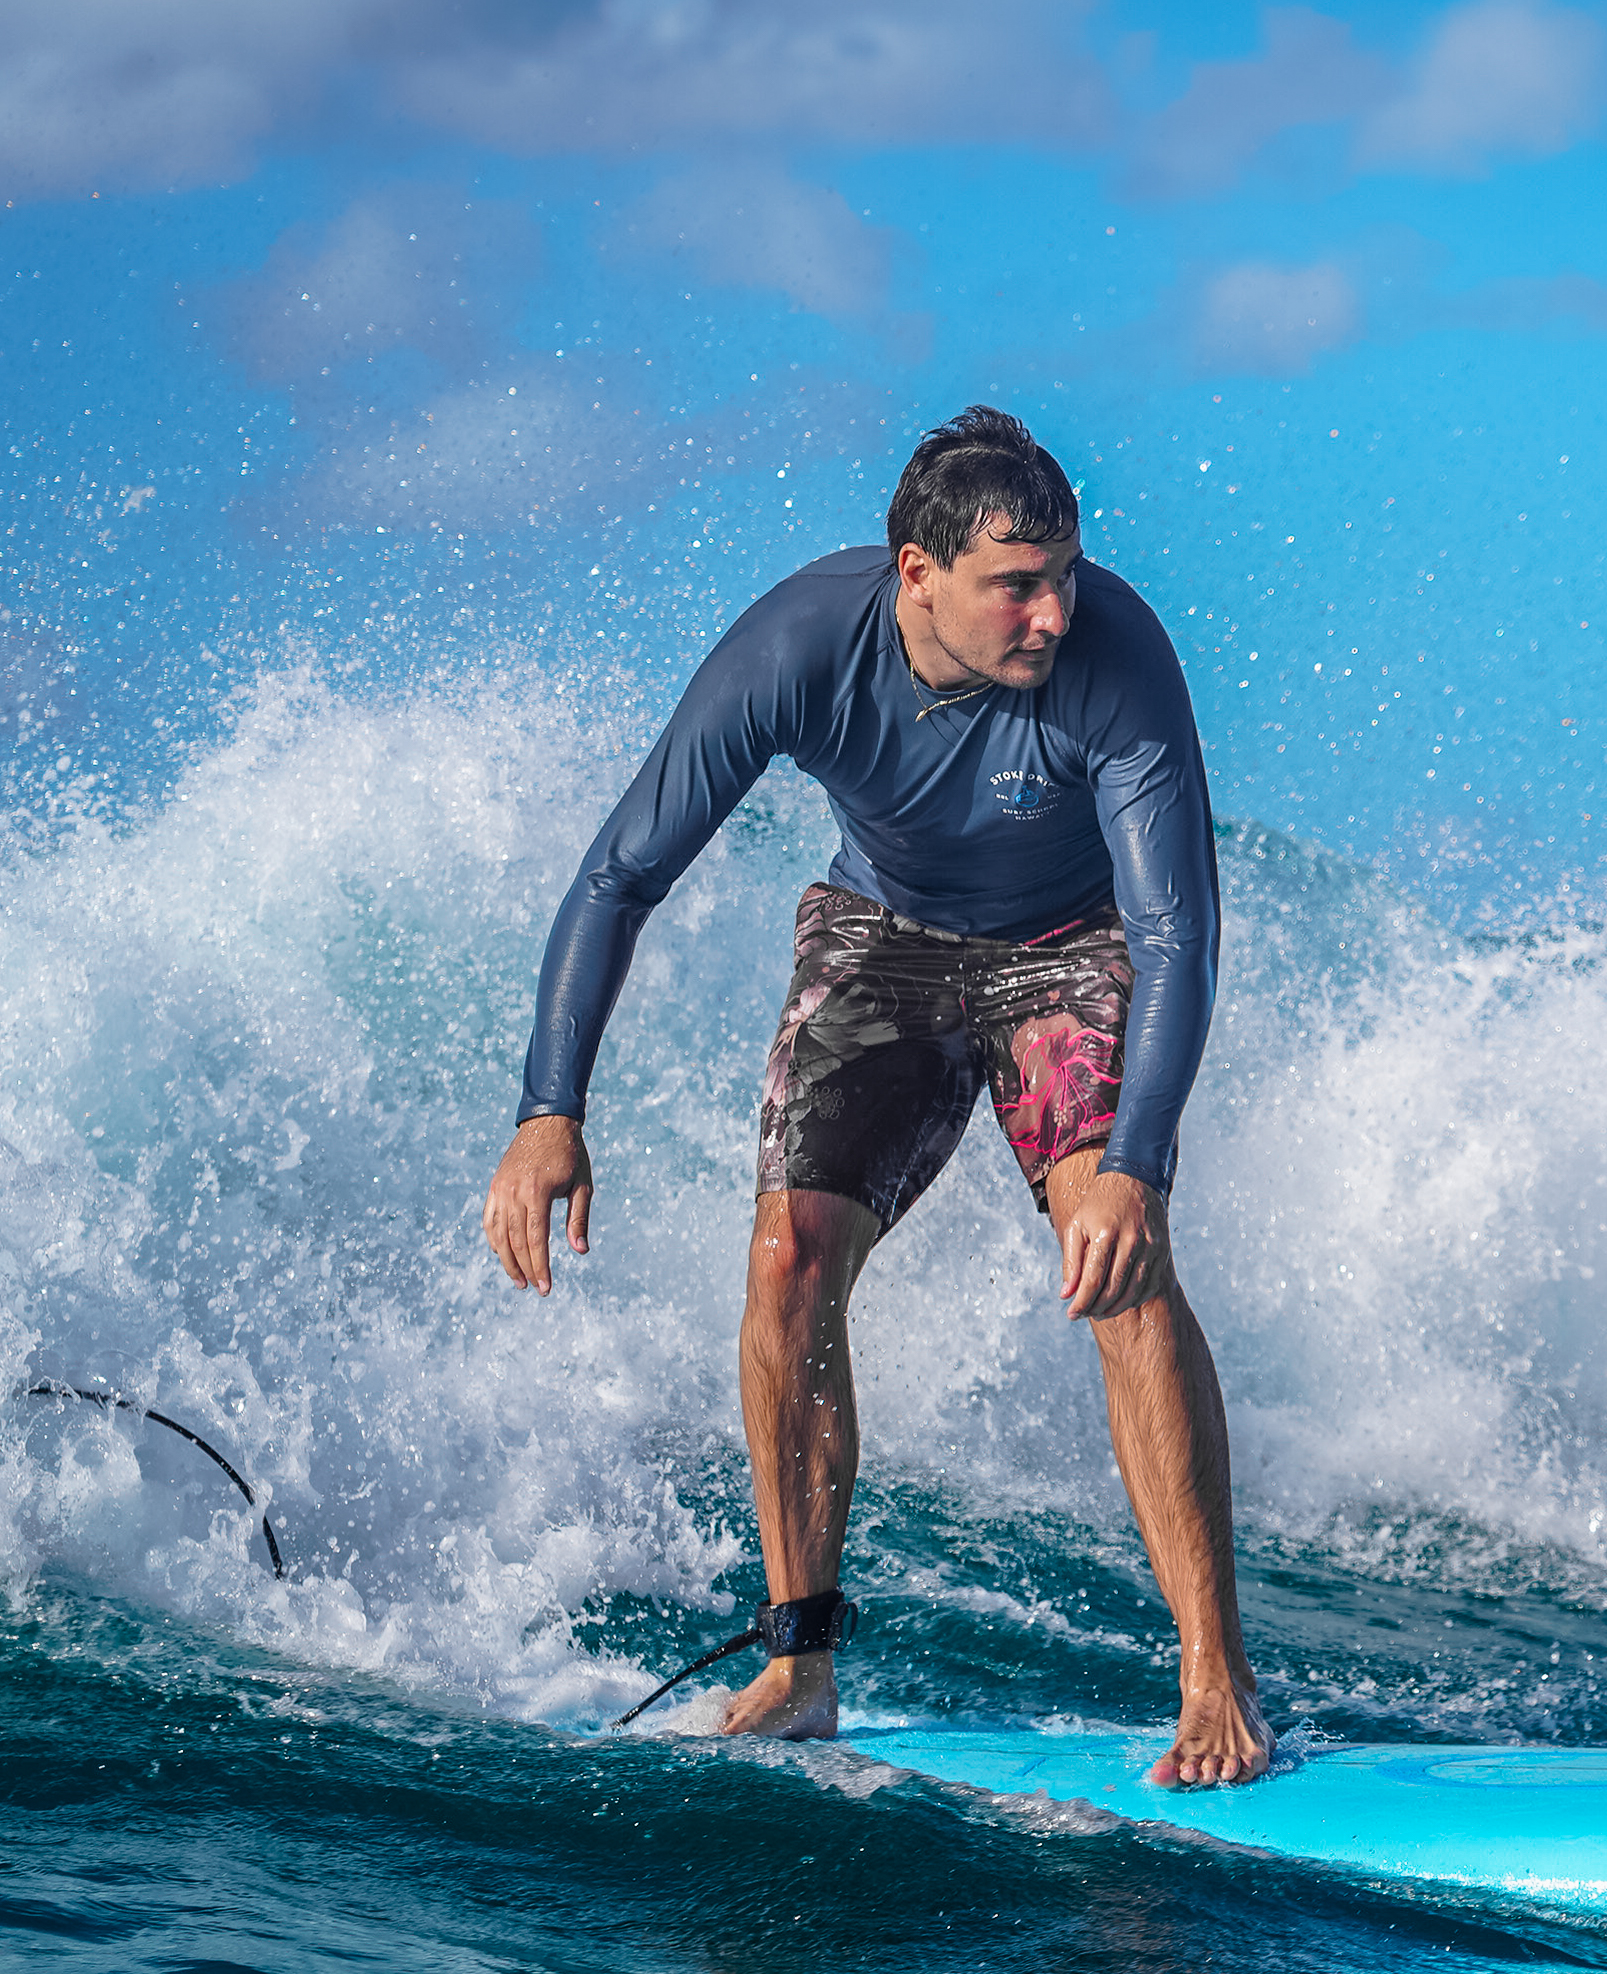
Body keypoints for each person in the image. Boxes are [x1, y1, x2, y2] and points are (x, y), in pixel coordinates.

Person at [480, 407, 1270, 1786]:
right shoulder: (801, 647)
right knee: (788, 1256)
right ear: (918, 575)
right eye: (1015, 585)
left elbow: (1174, 937)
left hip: (1069, 946)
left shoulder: (1118, 661)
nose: (1052, 611)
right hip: (882, 937)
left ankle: (1216, 1681)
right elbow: (622, 873)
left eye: (1065, 574)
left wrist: (1137, 1164)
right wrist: (553, 1108)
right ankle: (800, 1660)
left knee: (1116, 1251)